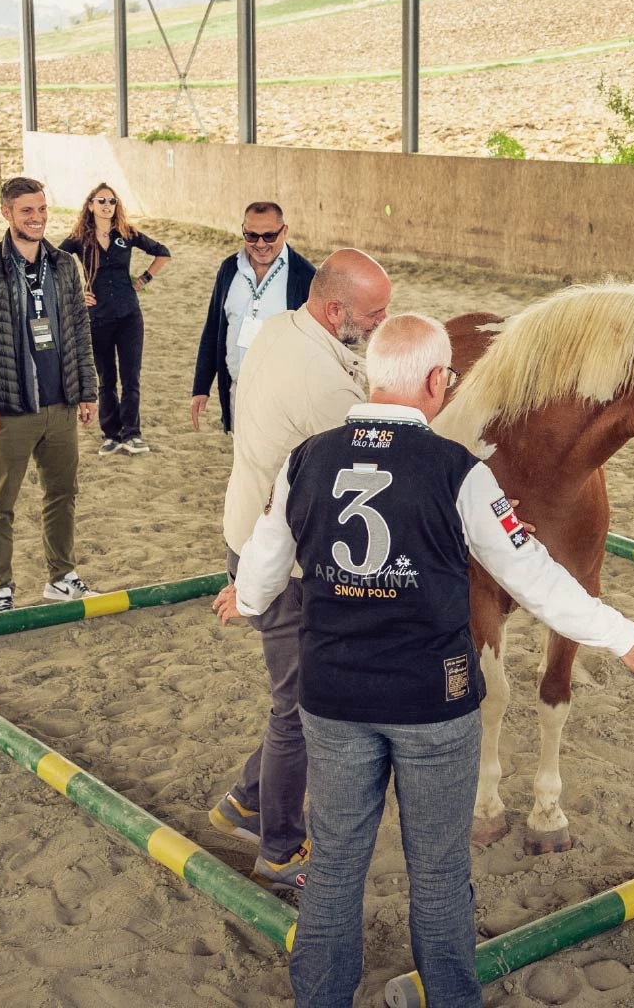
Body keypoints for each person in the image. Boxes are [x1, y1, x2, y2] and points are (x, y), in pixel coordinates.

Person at [217, 314, 634, 1008]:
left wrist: (245, 598)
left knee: (336, 869)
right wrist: (624, 636)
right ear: (438, 381)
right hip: (431, 703)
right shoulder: (462, 473)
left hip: (334, 698)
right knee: (437, 877)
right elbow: (537, 580)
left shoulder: (305, 459)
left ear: (373, 376)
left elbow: (261, 573)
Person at [205, 248, 393, 886]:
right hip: (280, 561)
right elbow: (376, 471)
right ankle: (280, 849)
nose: (382, 324)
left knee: (299, 696)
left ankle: (247, 801)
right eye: (375, 314)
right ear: (336, 310)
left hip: (250, 533)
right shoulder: (325, 388)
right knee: (300, 708)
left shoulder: (283, 326)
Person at [0, 177, 99, 614]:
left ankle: (61, 577)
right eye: (26, 211)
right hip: (10, 408)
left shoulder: (63, 265)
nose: (37, 218)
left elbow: (79, 330)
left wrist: (87, 390)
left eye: (41, 209)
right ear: (6, 213)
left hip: (61, 402)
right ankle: (0, 589)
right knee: (0, 503)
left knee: (62, 494)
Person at [59, 182, 170, 456]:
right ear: (90, 205)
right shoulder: (79, 238)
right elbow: (53, 263)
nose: (107, 205)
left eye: (112, 201)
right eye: (101, 201)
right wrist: (76, 293)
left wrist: (144, 278)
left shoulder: (127, 233)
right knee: (105, 378)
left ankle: (132, 434)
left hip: (129, 315)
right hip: (97, 318)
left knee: (131, 378)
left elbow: (163, 252)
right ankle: (111, 434)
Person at [191, 201, 316, 434]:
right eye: (251, 236)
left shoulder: (305, 276)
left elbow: (320, 342)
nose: (260, 244)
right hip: (237, 391)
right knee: (240, 454)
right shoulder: (229, 269)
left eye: (269, 236)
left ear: (284, 231)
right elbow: (213, 328)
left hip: (283, 398)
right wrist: (201, 387)